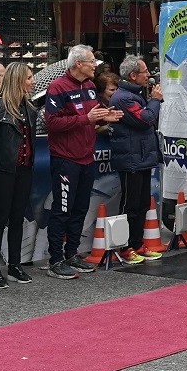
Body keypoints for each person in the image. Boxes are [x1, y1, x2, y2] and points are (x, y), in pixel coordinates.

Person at [43, 45, 122, 279]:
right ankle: (55, 259)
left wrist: (104, 118)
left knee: (80, 209)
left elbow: (91, 119)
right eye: (91, 62)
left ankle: (72, 254)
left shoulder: (89, 86)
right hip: (65, 159)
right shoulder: (57, 87)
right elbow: (52, 123)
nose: (95, 65)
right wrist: (85, 119)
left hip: (87, 157)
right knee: (62, 209)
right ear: (78, 63)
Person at [0, 62, 37, 288]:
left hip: (24, 169)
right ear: (18, 80)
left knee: (17, 218)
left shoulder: (29, 108)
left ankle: (15, 265)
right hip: (2, 171)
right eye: (29, 77)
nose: (32, 81)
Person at [108, 55, 162, 261]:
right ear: (132, 75)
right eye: (144, 71)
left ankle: (137, 244)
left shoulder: (135, 94)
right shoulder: (122, 98)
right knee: (130, 205)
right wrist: (154, 100)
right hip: (130, 159)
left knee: (142, 204)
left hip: (142, 157)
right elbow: (145, 119)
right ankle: (125, 246)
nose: (148, 75)